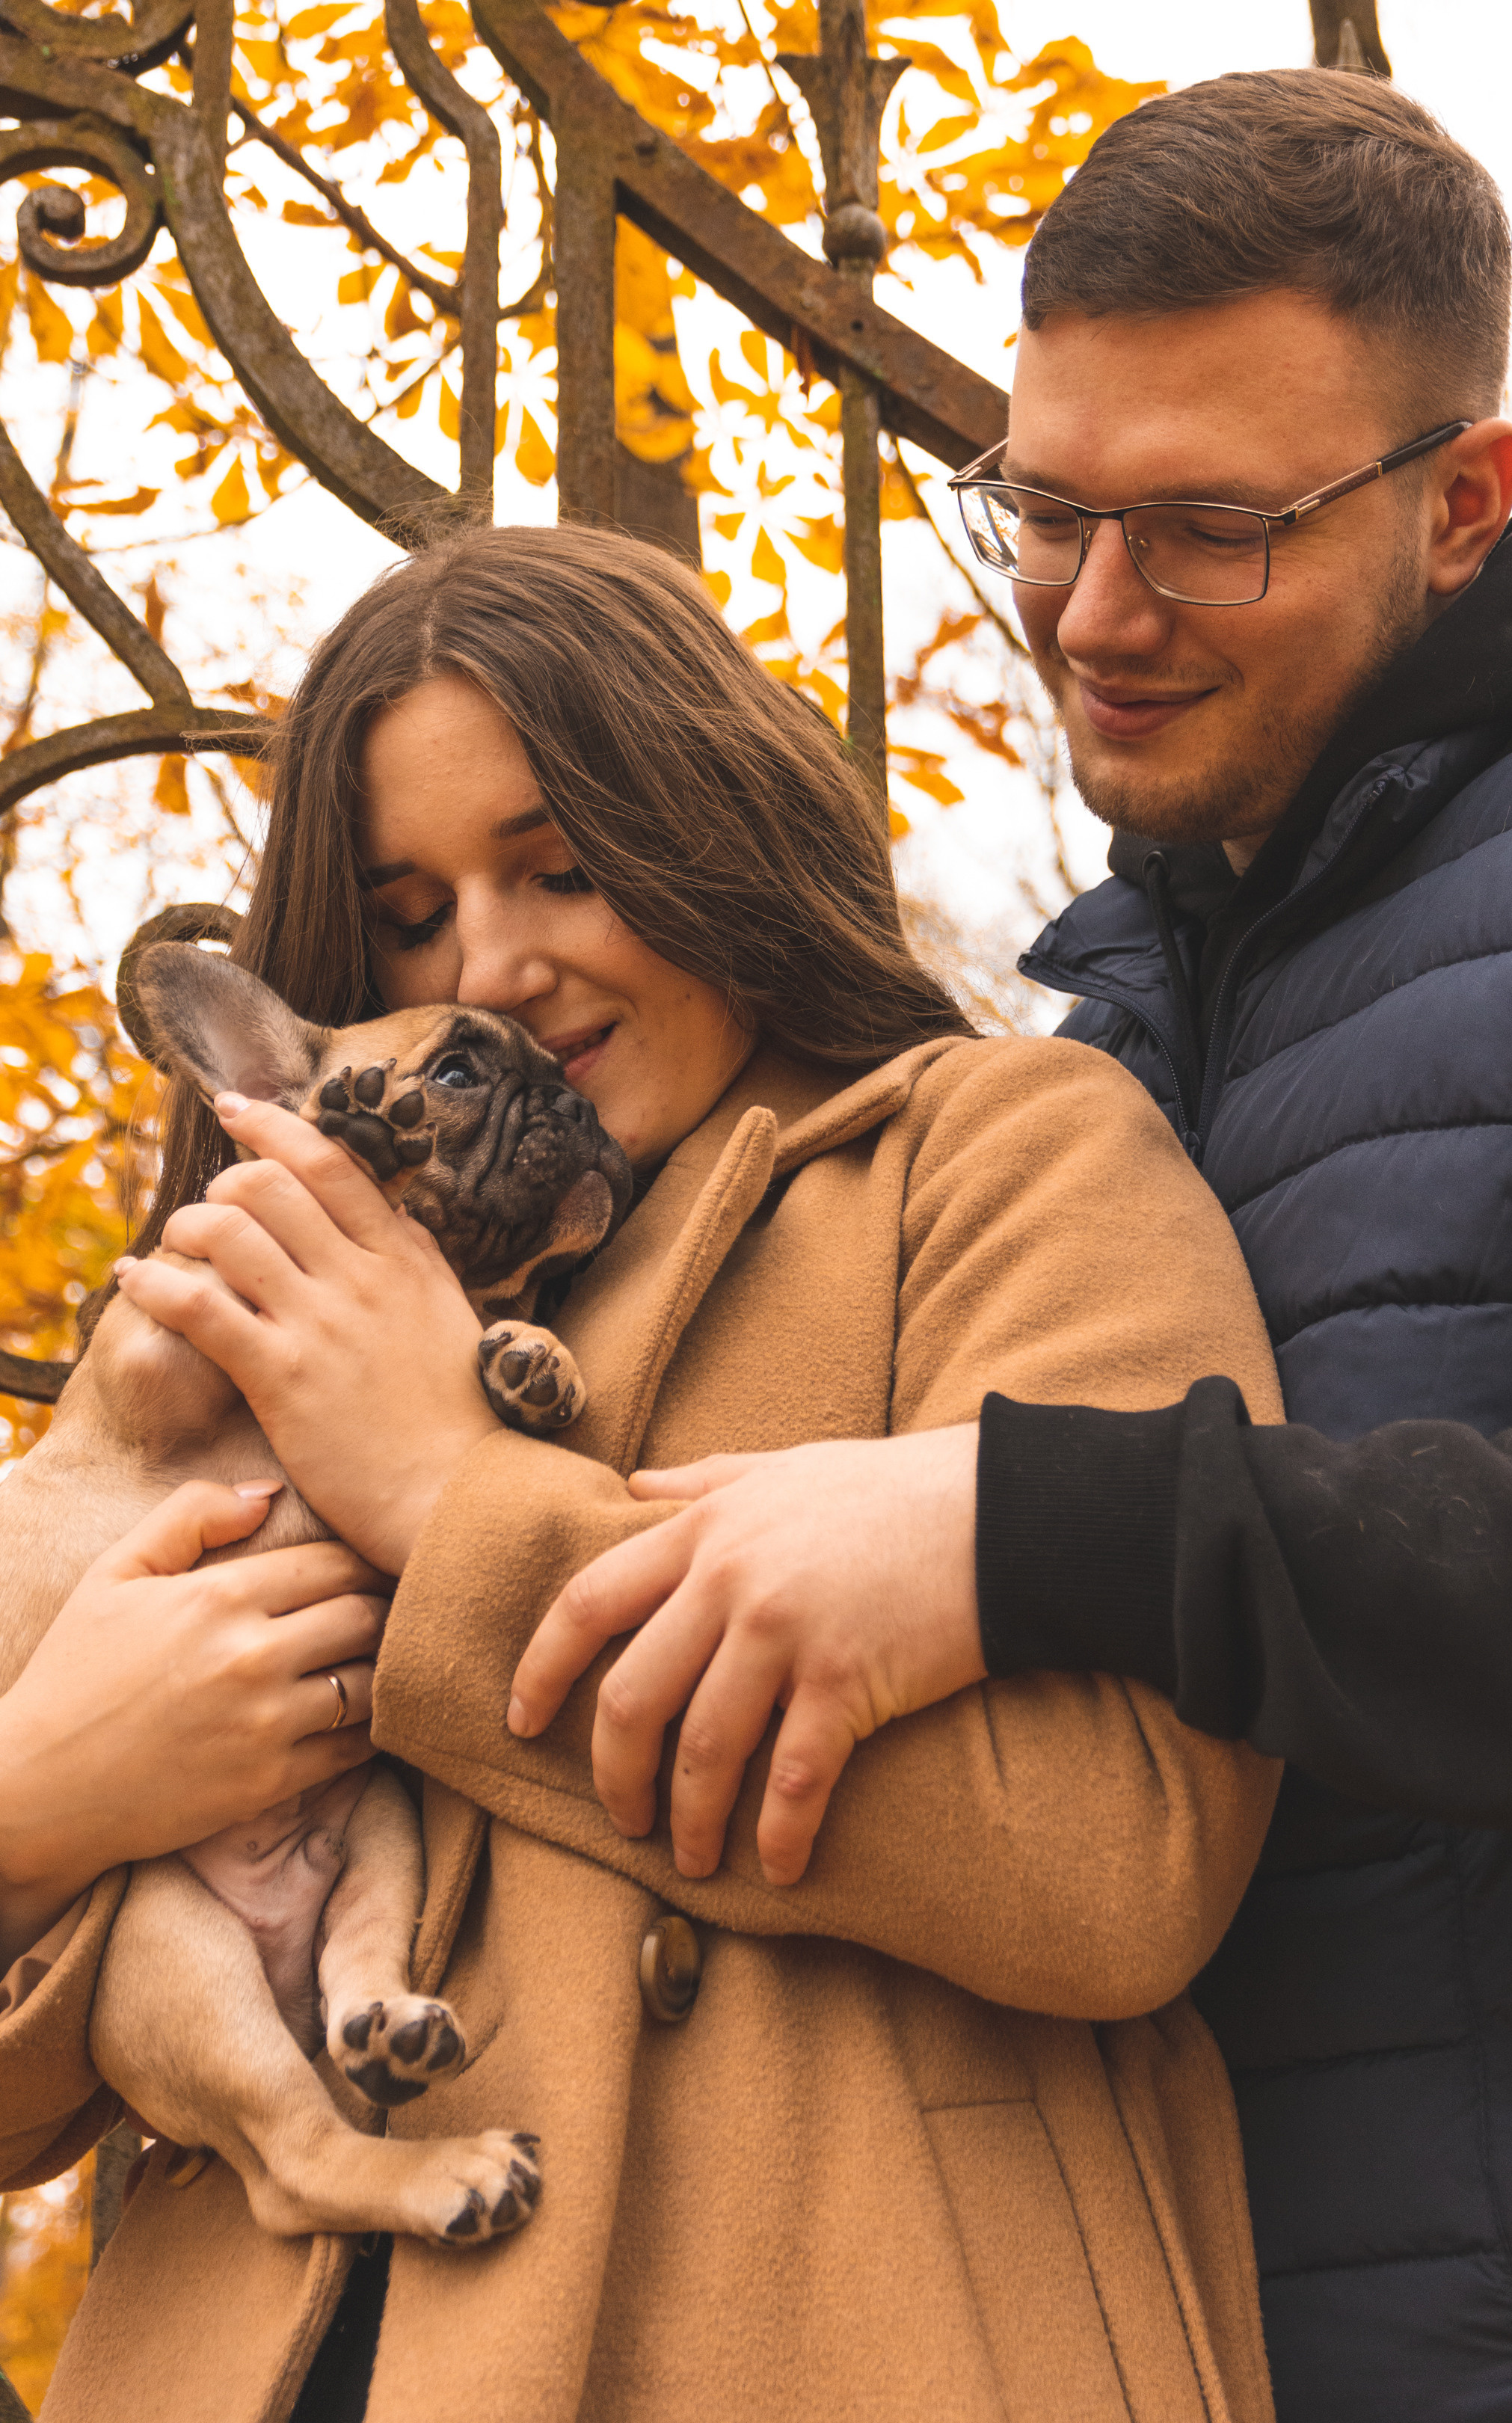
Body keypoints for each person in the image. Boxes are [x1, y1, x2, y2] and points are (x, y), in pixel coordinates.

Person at [516, 70, 1512, 2423]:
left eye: (1212, 528)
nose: (1094, 617)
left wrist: (1034, 1529)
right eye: (1046, 507)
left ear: (1463, 504)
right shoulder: (1099, 1006)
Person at [1, 522, 1286, 2422]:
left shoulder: (1002, 1158)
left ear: (713, 827)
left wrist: (455, 1504)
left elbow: (1124, 1860)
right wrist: (43, 1802)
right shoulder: (261, 1328)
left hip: (843, 2335)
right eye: (413, 917)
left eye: (563, 868)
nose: (497, 970)